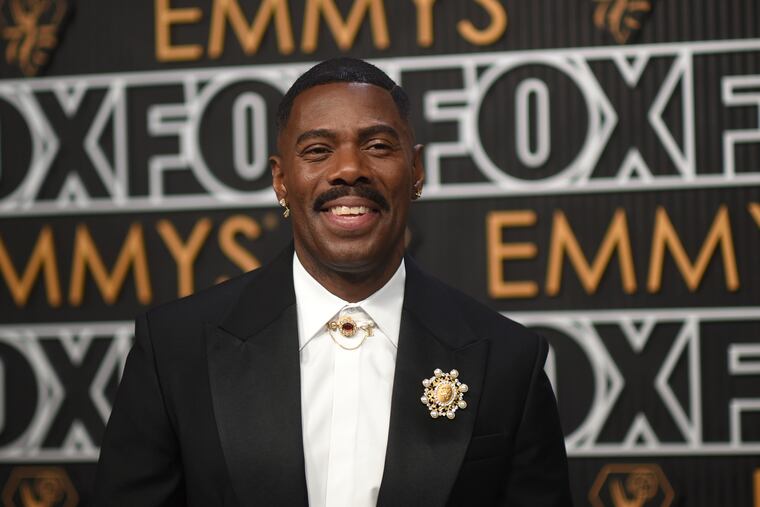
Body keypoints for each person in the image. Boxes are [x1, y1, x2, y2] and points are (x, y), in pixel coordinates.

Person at [94, 57, 572, 507]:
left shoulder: (509, 360)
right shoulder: (175, 350)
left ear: (416, 171)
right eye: (318, 150)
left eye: (377, 146)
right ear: (281, 180)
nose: (349, 170)